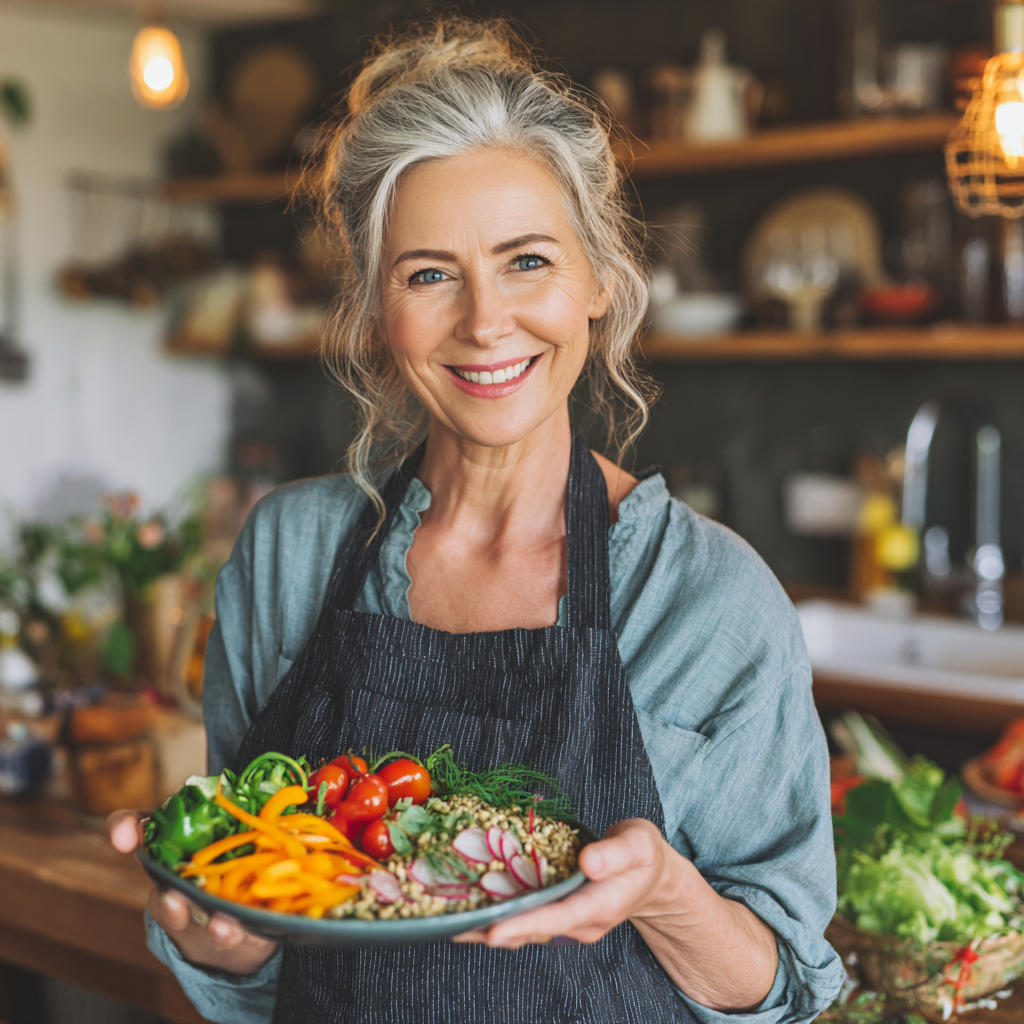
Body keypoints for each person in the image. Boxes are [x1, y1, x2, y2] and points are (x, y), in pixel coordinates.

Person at [109, 17, 844, 1024]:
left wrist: (667, 893)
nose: (485, 320)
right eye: (427, 273)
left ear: (596, 279)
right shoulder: (289, 554)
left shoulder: (707, 599)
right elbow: (258, 922)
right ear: (374, 310)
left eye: (527, 260)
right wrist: (222, 941)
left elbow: (782, 988)